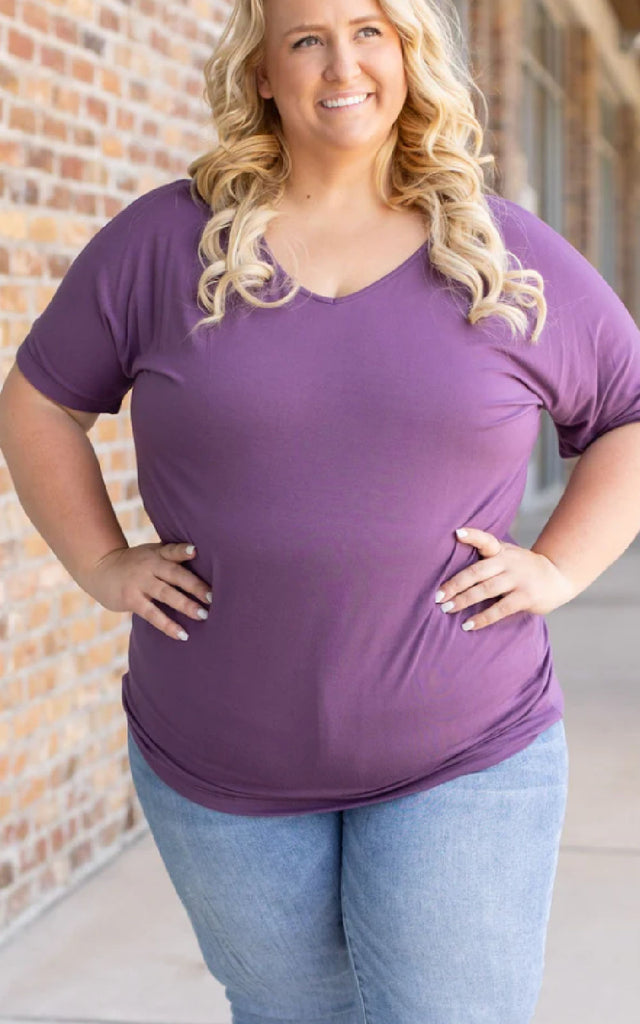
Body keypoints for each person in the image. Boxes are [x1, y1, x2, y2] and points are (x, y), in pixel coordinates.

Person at [2, 0, 640, 1020]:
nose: (340, 62)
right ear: (260, 70)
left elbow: (626, 416)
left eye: (369, 31)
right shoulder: (168, 243)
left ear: (407, 54)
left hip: (464, 746)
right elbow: (39, 401)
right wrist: (100, 561)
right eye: (305, 38)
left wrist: (558, 567)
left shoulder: (494, 248)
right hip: (216, 765)